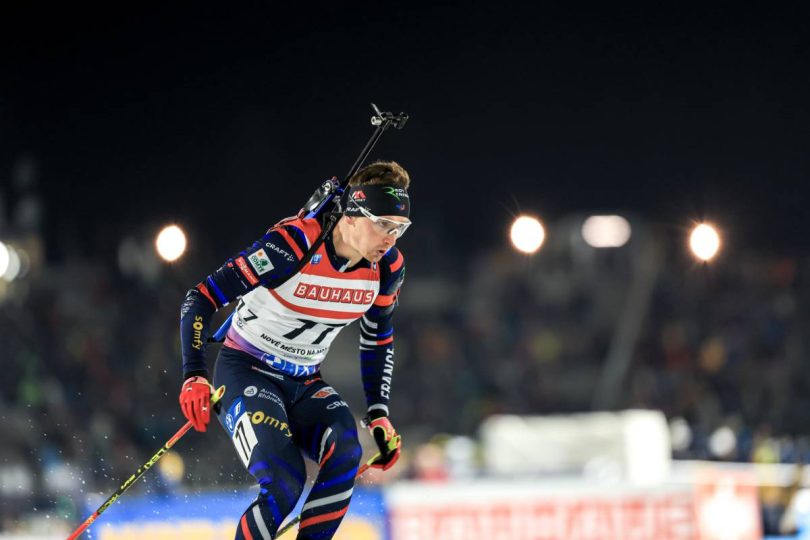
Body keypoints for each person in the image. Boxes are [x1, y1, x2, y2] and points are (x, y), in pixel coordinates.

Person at [178, 160, 411, 539]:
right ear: (352, 215)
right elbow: (201, 297)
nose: (391, 239)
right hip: (246, 369)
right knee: (285, 482)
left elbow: (378, 337)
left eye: (400, 228)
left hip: (304, 380)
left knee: (346, 452)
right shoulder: (294, 244)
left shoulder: (387, 268)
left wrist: (379, 414)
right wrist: (194, 375)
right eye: (384, 224)